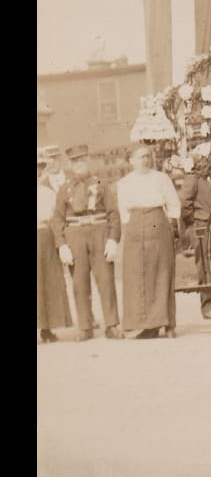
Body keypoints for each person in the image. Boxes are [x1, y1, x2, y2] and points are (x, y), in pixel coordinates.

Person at [51, 144, 125, 341]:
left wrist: (112, 239)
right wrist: (62, 245)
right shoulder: (64, 189)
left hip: (99, 233)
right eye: (75, 161)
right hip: (75, 236)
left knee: (106, 281)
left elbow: (113, 214)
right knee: (79, 283)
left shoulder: (101, 185)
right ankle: (84, 326)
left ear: (88, 161)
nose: (79, 165)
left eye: (82, 160)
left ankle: (112, 324)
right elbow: (57, 219)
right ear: (71, 164)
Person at [117, 145, 182, 339]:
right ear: (131, 161)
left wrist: (172, 228)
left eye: (147, 156)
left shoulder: (161, 178)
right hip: (135, 226)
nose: (145, 160)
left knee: (162, 272)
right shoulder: (124, 183)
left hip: (157, 223)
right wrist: (132, 230)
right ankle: (146, 325)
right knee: (138, 275)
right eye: (140, 157)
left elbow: (173, 204)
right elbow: (124, 212)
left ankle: (168, 324)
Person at [177, 165, 211, 320]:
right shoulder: (192, 179)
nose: (207, 162)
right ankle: (207, 307)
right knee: (204, 268)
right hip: (201, 226)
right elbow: (184, 203)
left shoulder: (207, 179)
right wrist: (193, 221)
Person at [38, 155, 73, 343]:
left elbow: (57, 217)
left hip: (46, 237)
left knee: (47, 281)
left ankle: (46, 328)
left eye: (39, 168)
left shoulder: (48, 193)